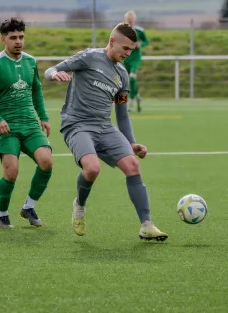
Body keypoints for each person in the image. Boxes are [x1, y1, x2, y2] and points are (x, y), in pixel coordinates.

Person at [44, 22, 168, 242]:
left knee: (133, 165)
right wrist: (55, 75)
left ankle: (147, 225)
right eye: (125, 49)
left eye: (132, 50)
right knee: (92, 169)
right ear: (112, 42)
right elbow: (50, 69)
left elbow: (122, 114)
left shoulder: (122, 75)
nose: (128, 54)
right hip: (77, 124)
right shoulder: (89, 57)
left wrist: (131, 143)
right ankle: (79, 205)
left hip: (104, 126)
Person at [0, 17, 54, 229]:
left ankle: (29, 207)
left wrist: (43, 117)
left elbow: (36, 89)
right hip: (7, 127)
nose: (18, 41)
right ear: (3, 39)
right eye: (13, 38)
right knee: (11, 172)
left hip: (30, 124)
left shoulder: (31, 61)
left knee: (46, 161)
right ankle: (2, 214)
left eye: (21, 37)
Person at [123, 10, 149, 112]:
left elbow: (146, 41)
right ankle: (137, 95)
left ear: (134, 20)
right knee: (127, 81)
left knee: (132, 79)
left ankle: (131, 102)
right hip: (126, 58)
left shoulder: (139, 31)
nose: (130, 22)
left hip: (136, 58)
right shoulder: (122, 31)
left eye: (131, 20)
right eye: (128, 20)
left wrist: (140, 44)